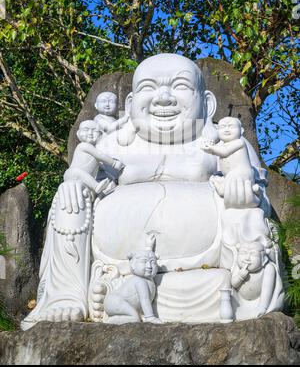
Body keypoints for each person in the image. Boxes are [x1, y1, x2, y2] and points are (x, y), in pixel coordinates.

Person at [21, 53, 282, 329]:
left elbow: (257, 194)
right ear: (131, 103)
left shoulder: (223, 143)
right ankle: (67, 293)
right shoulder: (111, 144)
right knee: (68, 197)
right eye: (149, 88)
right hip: (118, 261)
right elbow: (76, 173)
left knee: (248, 213)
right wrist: (76, 184)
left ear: (206, 103)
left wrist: (239, 187)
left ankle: (246, 293)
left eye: (180, 86)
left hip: (209, 257)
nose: (163, 98)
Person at [202, 117, 258, 204]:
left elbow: (224, 152)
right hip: (230, 176)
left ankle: (254, 192)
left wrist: (211, 148)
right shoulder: (223, 145)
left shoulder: (239, 142)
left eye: (231, 127)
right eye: (223, 127)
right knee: (226, 186)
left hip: (241, 173)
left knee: (233, 187)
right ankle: (219, 185)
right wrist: (210, 148)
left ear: (241, 131)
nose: (227, 130)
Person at [63, 120, 124, 197]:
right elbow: (100, 155)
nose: (90, 133)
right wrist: (114, 163)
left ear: (100, 134)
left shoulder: (93, 149)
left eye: (94, 130)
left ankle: (96, 190)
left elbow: (100, 165)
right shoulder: (84, 145)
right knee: (79, 172)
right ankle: (96, 186)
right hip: (72, 173)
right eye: (86, 130)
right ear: (78, 133)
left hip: (85, 179)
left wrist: (111, 176)